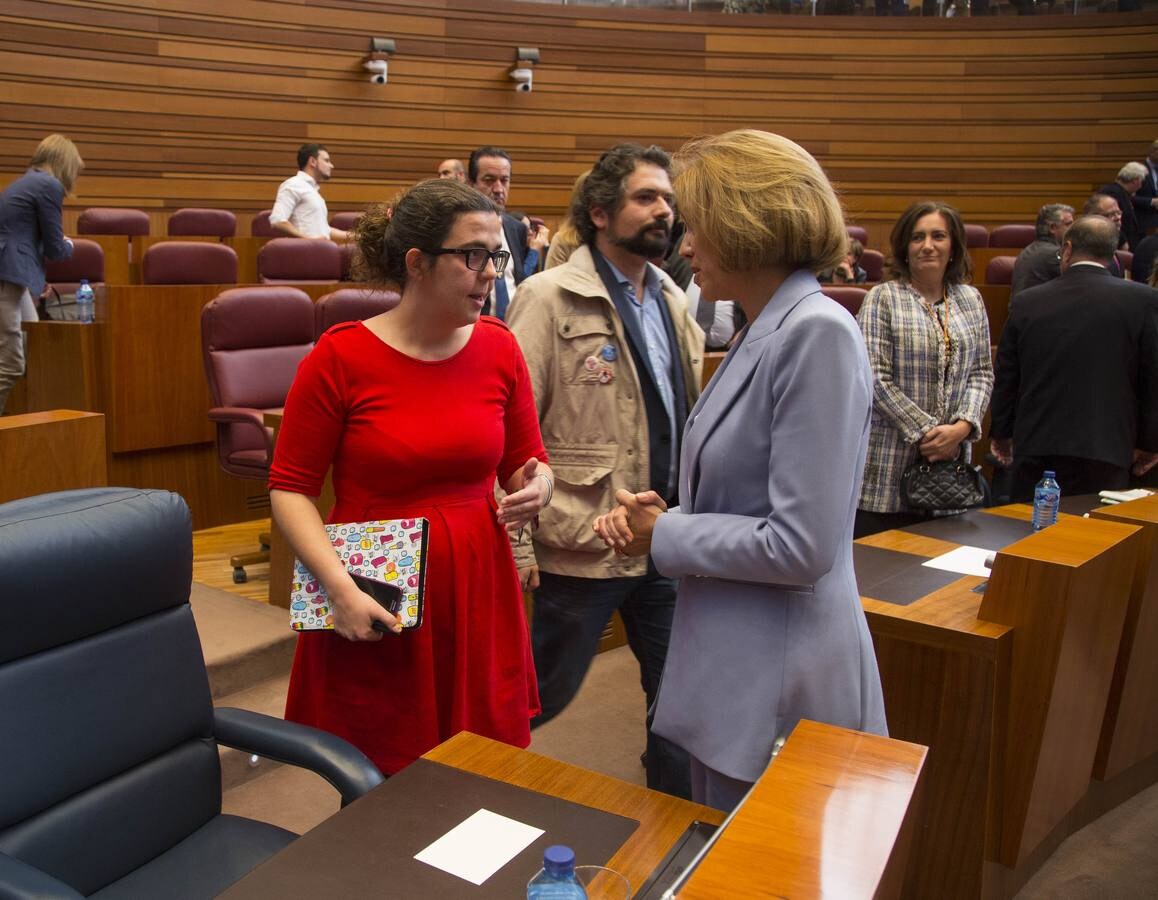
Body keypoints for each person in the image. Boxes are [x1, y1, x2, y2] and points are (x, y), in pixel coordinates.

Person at [592, 129, 886, 813]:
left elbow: (801, 546)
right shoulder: (765, 326)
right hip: (738, 666)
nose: (685, 246)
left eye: (696, 226)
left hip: (782, 681)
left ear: (747, 224)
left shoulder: (816, 333)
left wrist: (665, 534)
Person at [268, 178, 553, 774]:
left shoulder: (499, 348)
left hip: (478, 585)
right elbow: (291, 488)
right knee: (379, 772)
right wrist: (340, 591)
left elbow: (527, 464)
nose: (492, 272)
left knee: (478, 768)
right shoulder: (340, 357)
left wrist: (539, 486)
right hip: (374, 583)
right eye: (474, 255)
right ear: (417, 263)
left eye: (497, 256)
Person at [506, 143, 703, 799]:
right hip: (579, 540)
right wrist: (519, 542)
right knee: (536, 695)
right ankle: (453, 793)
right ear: (598, 211)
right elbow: (510, 429)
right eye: (647, 198)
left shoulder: (673, 297)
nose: (663, 212)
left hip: (663, 538)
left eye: (668, 201)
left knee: (679, 701)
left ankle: (676, 825)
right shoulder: (546, 296)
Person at [990, 216, 1158, 500]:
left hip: (1036, 447)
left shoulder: (1027, 301)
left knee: (1030, 538)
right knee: (1093, 539)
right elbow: (1152, 378)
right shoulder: (1143, 300)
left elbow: (1007, 374)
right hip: (1108, 448)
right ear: (1112, 255)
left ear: (1066, 250)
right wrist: (1149, 443)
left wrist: (1002, 434)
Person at [854, 200, 994, 538]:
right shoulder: (882, 298)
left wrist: (961, 428)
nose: (927, 246)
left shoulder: (970, 299)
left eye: (938, 236)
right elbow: (873, 377)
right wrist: (931, 435)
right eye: (918, 238)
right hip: (888, 469)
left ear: (953, 246)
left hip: (949, 474)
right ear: (905, 247)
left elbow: (982, 372)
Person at [0, 134, 82, 415]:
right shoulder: (48, 184)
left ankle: (26, 428)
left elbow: (21, 238)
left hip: (13, 275)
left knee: (36, 350)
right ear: (65, 163)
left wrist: (35, 278)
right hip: (6, 278)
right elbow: (55, 248)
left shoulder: (26, 181)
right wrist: (70, 244)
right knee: (10, 365)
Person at [468, 146, 549, 318]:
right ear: (472, 183)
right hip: (477, 325)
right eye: (489, 180)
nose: (498, 189)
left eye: (504, 180)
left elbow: (519, 280)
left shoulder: (516, 228)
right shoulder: (461, 231)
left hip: (516, 325)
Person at [269, 143, 348, 242]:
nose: (331, 166)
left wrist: (359, 236)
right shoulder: (293, 185)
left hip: (321, 250)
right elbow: (277, 221)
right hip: (306, 253)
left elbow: (325, 232)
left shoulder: (313, 191)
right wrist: (310, 240)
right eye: (326, 161)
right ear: (313, 161)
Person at [1010, 203, 1074, 299]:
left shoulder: (1029, 250)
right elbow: (1078, 283)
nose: (1073, 229)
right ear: (1052, 228)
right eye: (1069, 224)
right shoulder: (1054, 254)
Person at [1098, 162, 1147, 251]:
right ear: (1135, 180)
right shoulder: (1113, 193)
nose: (1141, 186)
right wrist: (1122, 242)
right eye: (1141, 182)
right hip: (1118, 247)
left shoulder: (1121, 192)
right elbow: (1109, 220)